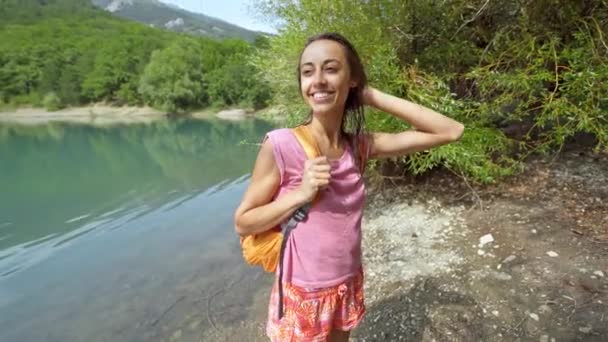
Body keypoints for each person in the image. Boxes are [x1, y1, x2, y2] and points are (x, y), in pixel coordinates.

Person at [234, 32, 464, 342]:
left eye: (330, 69)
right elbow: (243, 221)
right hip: (302, 293)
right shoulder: (281, 145)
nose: (317, 80)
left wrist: (370, 95)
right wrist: (301, 194)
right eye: (307, 71)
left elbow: (451, 130)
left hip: (346, 283)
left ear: (351, 79)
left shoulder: (359, 147)